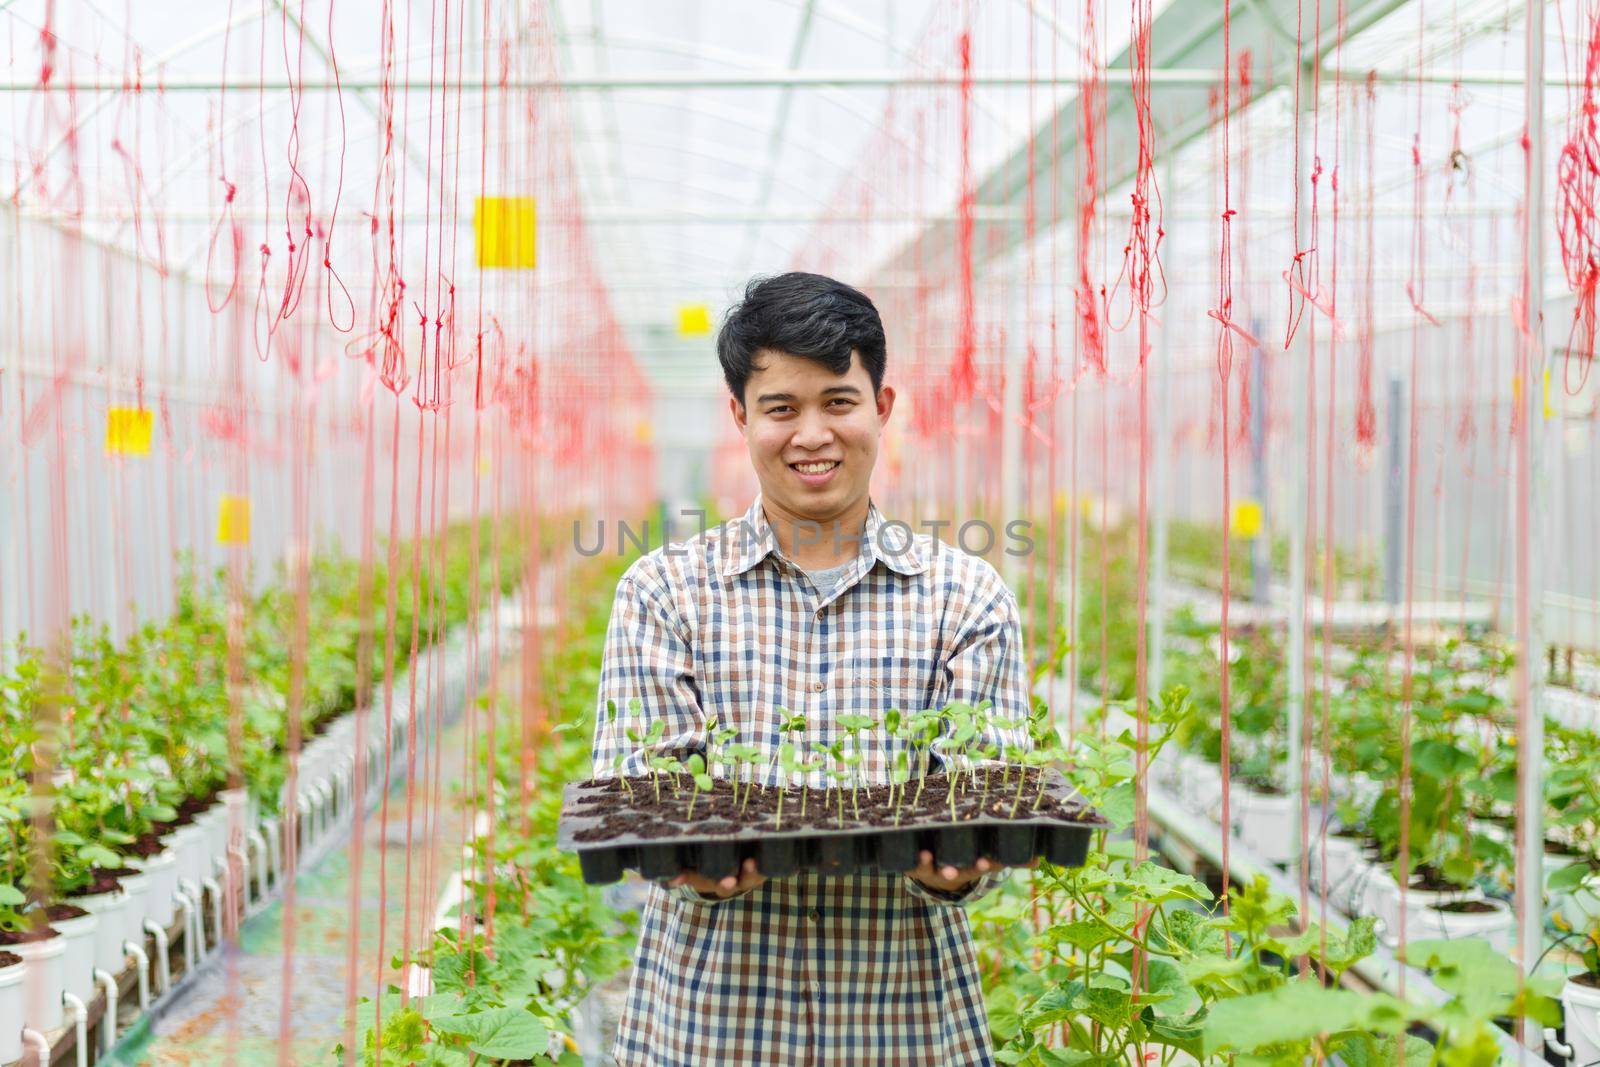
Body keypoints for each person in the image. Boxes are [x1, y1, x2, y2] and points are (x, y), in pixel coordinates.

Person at [591, 271, 1032, 1066]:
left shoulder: (967, 599)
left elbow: (988, 783)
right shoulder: (664, 594)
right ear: (741, 417)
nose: (812, 434)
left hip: (903, 1031)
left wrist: (954, 867)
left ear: (882, 407)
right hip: (709, 1031)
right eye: (781, 408)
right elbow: (639, 786)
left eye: (838, 401)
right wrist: (692, 859)